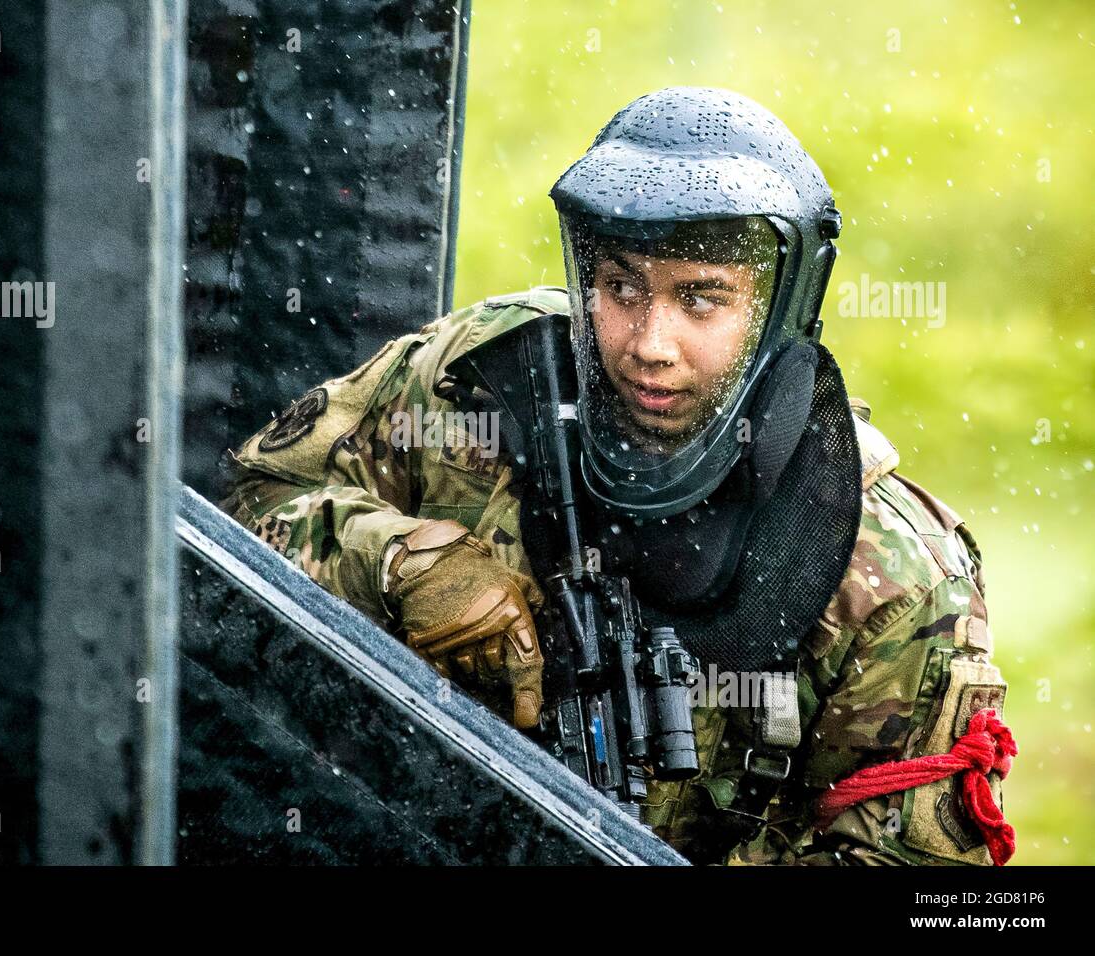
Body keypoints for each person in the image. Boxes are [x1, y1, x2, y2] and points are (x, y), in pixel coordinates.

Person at [219, 87, 1013, 865]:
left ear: (779, 309)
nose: (649, 343)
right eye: (621, 288)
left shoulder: (891, 574)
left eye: (702, 300)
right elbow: (237, 518)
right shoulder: (471, 381)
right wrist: (401, 564)